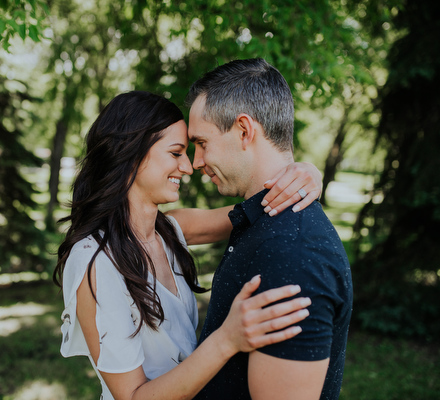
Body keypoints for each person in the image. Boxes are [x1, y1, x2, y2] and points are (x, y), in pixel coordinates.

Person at [54, 90, 322, 400]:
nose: (188, 166)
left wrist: (307, 174)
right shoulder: (95, 260)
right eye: (176, 152)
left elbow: (262, 207)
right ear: (131, 154)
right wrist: (227, 340)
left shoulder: (171, 230)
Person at [184, 58, 353, 400]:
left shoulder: (294, 253)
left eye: (201, 143)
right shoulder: (261, 218)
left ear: (244, 130)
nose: (195, 161)